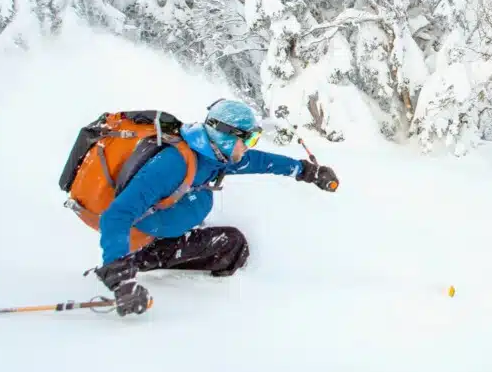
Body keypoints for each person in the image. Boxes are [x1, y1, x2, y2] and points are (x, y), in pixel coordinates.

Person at [88, 99, 338, 316]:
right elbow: (116, 215)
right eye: (248, 139)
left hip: (168, 223)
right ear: (226, 136)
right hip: (146, 237)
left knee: (230, 246)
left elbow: (261, 161)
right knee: (231, 246)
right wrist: (120, 277)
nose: (249, 146)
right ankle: (143, 257)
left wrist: (306, 171)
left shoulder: (216, 156)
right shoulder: (172, 163)